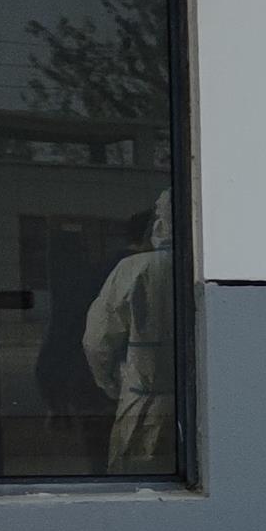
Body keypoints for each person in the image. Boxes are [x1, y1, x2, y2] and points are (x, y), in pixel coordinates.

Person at [81, 194, 178, 474]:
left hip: (142, 407)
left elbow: (97, 341)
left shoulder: (134, 269)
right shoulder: (197, 268)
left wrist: (109, 384)